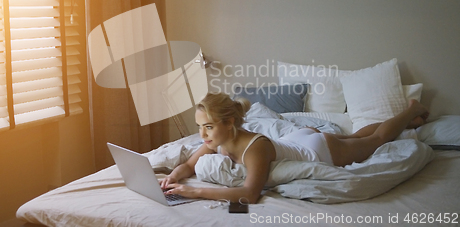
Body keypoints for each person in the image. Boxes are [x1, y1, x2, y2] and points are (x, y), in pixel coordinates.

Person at [159, 92, 429, 204]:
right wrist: (174, 176)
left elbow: (250, 194)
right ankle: (410, 121)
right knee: (357, 137)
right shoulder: (214, 140)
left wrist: (193, 191)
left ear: (229, 122)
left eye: (208, 126)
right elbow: (189, 165)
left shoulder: (255, 147)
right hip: (296, 139)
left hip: (319, 149)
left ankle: (412, 110)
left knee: (375, 141)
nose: (202, 134)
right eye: (199, 127)